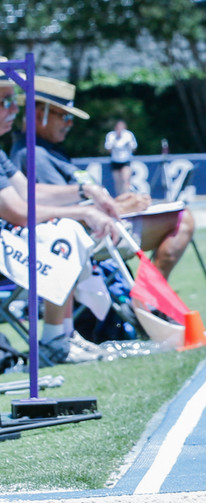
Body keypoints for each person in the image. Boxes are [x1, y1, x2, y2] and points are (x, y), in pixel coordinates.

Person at [10, 75, 195, 281]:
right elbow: (62, 215)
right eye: (65, 116)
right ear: (39, 114)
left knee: (177, 213)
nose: (70, 124)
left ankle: (143, 300)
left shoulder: (44, 150)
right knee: (182, 218)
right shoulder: (34, 153)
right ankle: (147, 302)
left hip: (91, 230)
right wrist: (120, 208)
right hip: (82, 238)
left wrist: (116, 203)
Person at [0, 64, 120, 364]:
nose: (15, 108)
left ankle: (62, 335)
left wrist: (86, 194)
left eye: (14, 99)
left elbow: (29, 192)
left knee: (67, 229)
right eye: (5, 102)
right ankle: (56, 339)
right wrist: (86, 210)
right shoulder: (30, 152)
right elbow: (18, 212)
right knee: (63, 233)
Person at [103, 119, 137, 195]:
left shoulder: (128, 135)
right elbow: (108, 149)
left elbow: (134, 148)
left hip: (125, 161)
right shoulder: (111, 136)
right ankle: (119, 196)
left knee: (125, 180)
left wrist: (128, 145)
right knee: (117, 181)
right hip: (115, 161)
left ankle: (126, 196)